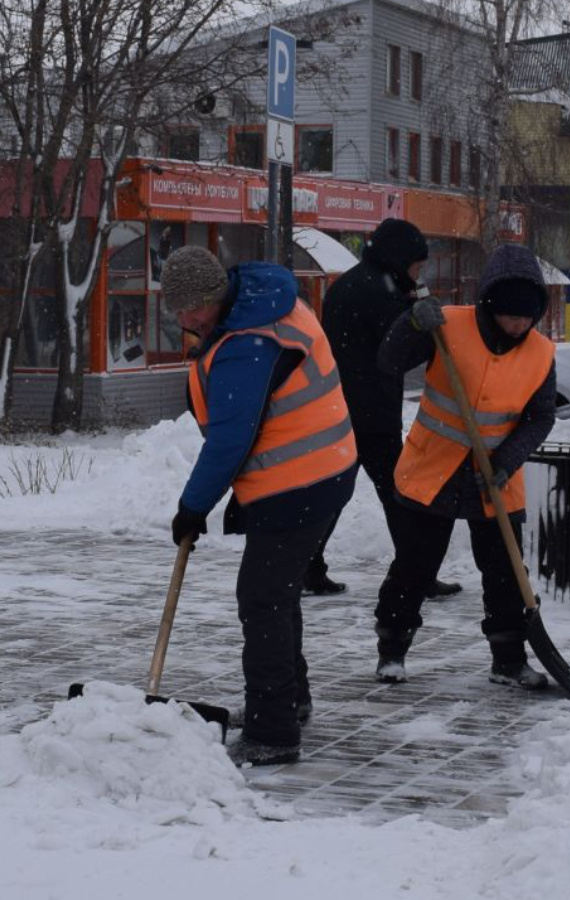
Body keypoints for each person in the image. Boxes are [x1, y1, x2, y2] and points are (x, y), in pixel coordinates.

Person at [163, 246, 357, 768]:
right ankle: (289, 700)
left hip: (300, 480)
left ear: (214, 297)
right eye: (176, 312)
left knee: (263, 597)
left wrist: (192, 507)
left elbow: (231, 439)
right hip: (325, 467)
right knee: (278, 591)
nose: (185, 322)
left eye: (190, 310)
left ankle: (274, 731)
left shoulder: (246, 343)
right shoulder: (267, 304)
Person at [370, 243, 557, 689]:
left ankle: (509, 660)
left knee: (507, 573)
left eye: (527, 317)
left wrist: (506, 462)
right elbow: (389, 360)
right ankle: (392, 649)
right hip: (431, 468)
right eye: (511, 316)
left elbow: (540, 416)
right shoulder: (446, 324)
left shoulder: (541, 353)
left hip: (496, 477)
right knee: (415, 565)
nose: (519, 325)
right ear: (491, 305)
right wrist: (411, 323)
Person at [312, 218, 461, 599]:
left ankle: (306, 568)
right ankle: (417, 571)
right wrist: (424, 330)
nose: (421, 272)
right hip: (371, 411)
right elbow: (396, 353)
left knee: (333, 494)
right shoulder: (379, 291)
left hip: (341, 407)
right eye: (418, 264)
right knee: (400, 495)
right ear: (400, 258)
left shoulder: (354, 283)